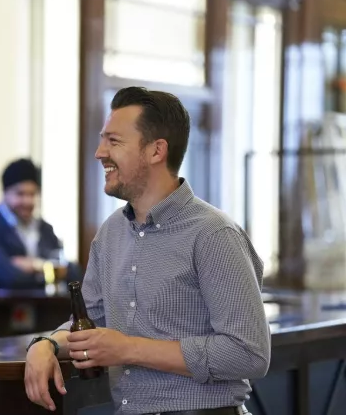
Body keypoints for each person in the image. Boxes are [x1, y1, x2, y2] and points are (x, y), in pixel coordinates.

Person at [24, 87, 270, 414]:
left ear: (156, 151)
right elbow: (89, 323)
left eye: (114, 141)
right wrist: (47, 344)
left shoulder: (214, 234)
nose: (99, 152)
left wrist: (129, 349)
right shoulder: (110, 233)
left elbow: (249, 354)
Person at [0, 158, 74, 289]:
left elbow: (73, 273)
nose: (27, 201)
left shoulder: (45, 228)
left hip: (44, 307)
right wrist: (47, 271)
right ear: (5, 193)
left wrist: (35, 265)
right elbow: (9, 277)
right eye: (20, 194)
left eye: (32, 194)